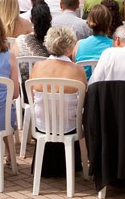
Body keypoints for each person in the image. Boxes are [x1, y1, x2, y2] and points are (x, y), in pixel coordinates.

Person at [28, 26, 88, 177]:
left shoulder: (38, 67)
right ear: (69, 47)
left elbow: (31, 95)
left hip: (42, 125)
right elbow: (84, 98)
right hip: (68, 125)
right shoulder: (78, 70)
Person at [12, 2, 52, 79]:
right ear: (50, 18)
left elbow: (13, 63)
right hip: (47, 87)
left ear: (31, 20)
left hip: (23, 87)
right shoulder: (55, 45)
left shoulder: (20, 40)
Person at [73, 4, 113, 79]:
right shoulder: (115, 46)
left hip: (85, 88)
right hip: (106, 88)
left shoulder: (79, 45)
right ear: (109, 22)